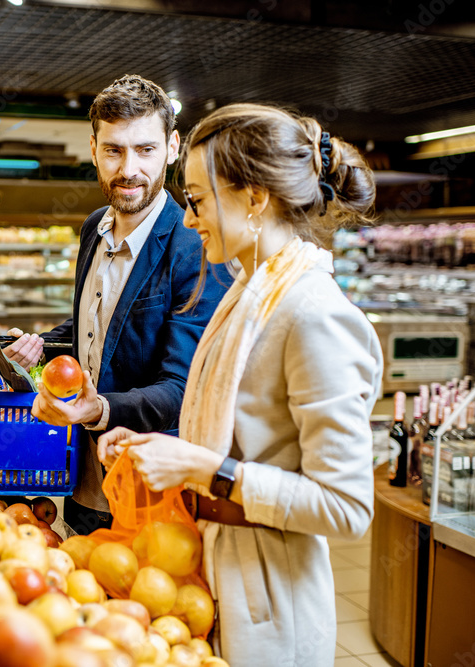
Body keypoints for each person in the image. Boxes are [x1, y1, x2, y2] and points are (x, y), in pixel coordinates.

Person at [97, 103, 383, 665]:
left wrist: (202, 470)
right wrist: (159, 450)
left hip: (269, 600)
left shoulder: (312, 314)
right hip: (218, 573)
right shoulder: (248, 290)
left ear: (255, 198)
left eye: (198, 201)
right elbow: (235, 434)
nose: (187, 219)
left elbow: (348, 506)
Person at [4, 74, 230, 536]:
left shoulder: (196, 246)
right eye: (114, 150)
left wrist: (97, 408)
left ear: (171, 147)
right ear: (93, 150)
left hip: (149, 491)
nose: (129, 168)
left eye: (145, 150)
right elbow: (96, 326)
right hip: (80, 479)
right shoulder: (94, 228)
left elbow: (181, 388)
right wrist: (41, 346)